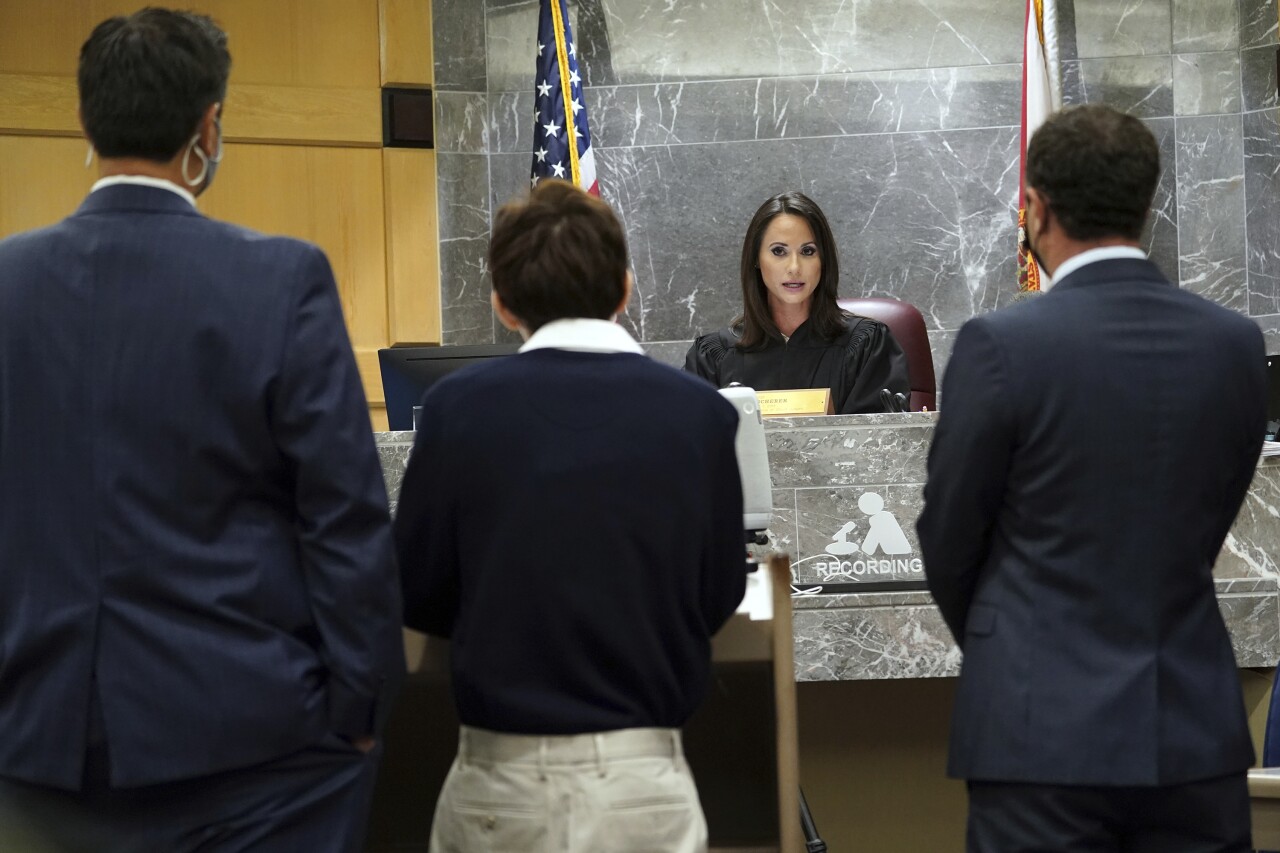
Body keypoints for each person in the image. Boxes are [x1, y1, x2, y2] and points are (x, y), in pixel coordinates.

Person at [0, 9, 404, 851]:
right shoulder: (282, 279)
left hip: (37, 739)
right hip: (253, 752)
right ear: (208, 125)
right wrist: (360, 714)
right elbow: (343, 517)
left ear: (85, 119)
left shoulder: (8, 285)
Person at [917, 104, 1266, 853]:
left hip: (1037, 736)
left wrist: (1012, 648)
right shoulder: (1234, 345)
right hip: (1191, 734)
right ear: (1148, 204)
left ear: (1035, 209)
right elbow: (1209, 520)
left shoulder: (1001, 345)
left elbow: (948, 538)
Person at [394, 179, 746, 853]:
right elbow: (719, 589)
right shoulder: (699, 414)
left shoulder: (455, 410)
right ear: (625, 288)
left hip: (501, 783)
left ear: (501, 304)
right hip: (644, 781)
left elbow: (419, 589)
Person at [684, 190, 910, 413]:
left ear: (824, 260)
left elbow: (878, 443)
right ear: (756, 259)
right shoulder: (713, 357)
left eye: (808, 251)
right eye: (779, 251)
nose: (794, 268)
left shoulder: (866, 346)